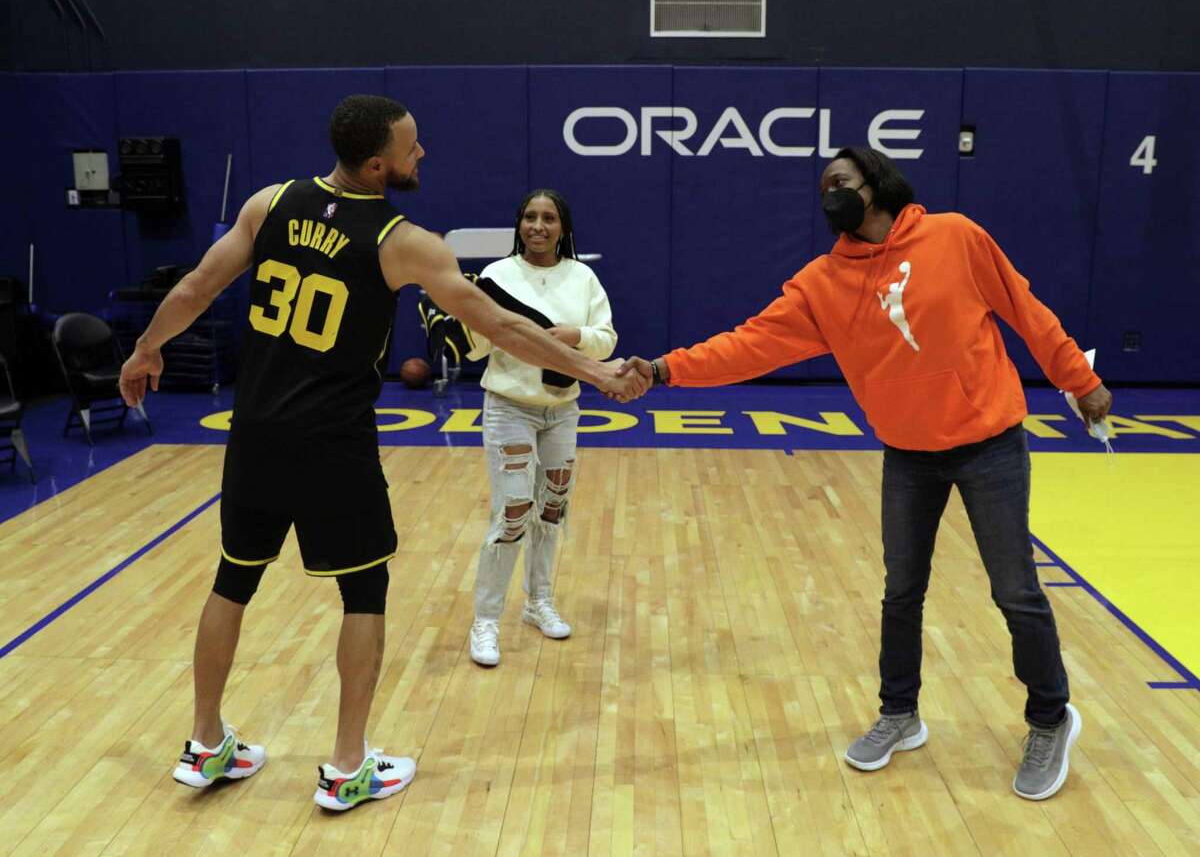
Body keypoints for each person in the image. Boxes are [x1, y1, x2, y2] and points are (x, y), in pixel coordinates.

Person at [118, 95, 644, 811]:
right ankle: (345, 767)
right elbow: (500, 326)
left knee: (233, 579)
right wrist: (597, 371)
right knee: (363, 592)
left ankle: (206, 743)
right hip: (333, 442)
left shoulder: (269, 203)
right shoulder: (405, 241)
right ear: (377, 164)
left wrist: (147, 349)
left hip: (255, 435)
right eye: (411, 147)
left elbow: (194, 287)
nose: (420, 155)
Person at [616, 146, 1112, 802]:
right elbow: (748, 343)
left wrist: (1081, 380)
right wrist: (662, 368)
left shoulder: (956, 237)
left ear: (875, 185)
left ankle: (1050, 719)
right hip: (908, 453)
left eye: (841, 181)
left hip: (989, 443)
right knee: (901, 592)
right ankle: (899, 715)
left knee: (1015, 590)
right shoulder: (823, 283)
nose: (830, 193)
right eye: (822, 187)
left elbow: (1026, 310)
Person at [462, 189, 616, 667]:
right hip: (510, 406)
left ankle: (537, 603)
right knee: (512, 512)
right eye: (530, 217)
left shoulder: (583, 277)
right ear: (519, 224)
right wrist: (463, 320)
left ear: (563, 227)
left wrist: (577, 338)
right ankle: (485, 621)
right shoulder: (496, 276)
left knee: (552, 510)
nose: (538, 226)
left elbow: (606, 342)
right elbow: (474, 348)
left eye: (549, 218)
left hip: (562, 410)